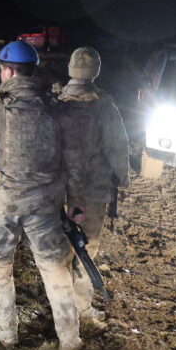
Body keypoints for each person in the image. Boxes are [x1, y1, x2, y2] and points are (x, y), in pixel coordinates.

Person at [0, 40, 84, 350]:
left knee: (0, 266)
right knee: (55, 268)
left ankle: (6, 332)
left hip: (2, 205)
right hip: (46, 206)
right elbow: (74, 159)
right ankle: (69, 339)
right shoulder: (56, 108)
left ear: (8, 71)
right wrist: (76, 201)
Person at [57, 47, 130, 326]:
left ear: (70, 68)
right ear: (95, 72)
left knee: (61, 250)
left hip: (59, 189)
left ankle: (60, 305)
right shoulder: (104, 104)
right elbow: (117, 145)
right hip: (93, 188)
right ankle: (82, 309)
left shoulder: (56, 101)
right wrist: (122, 176)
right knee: (87, 247)